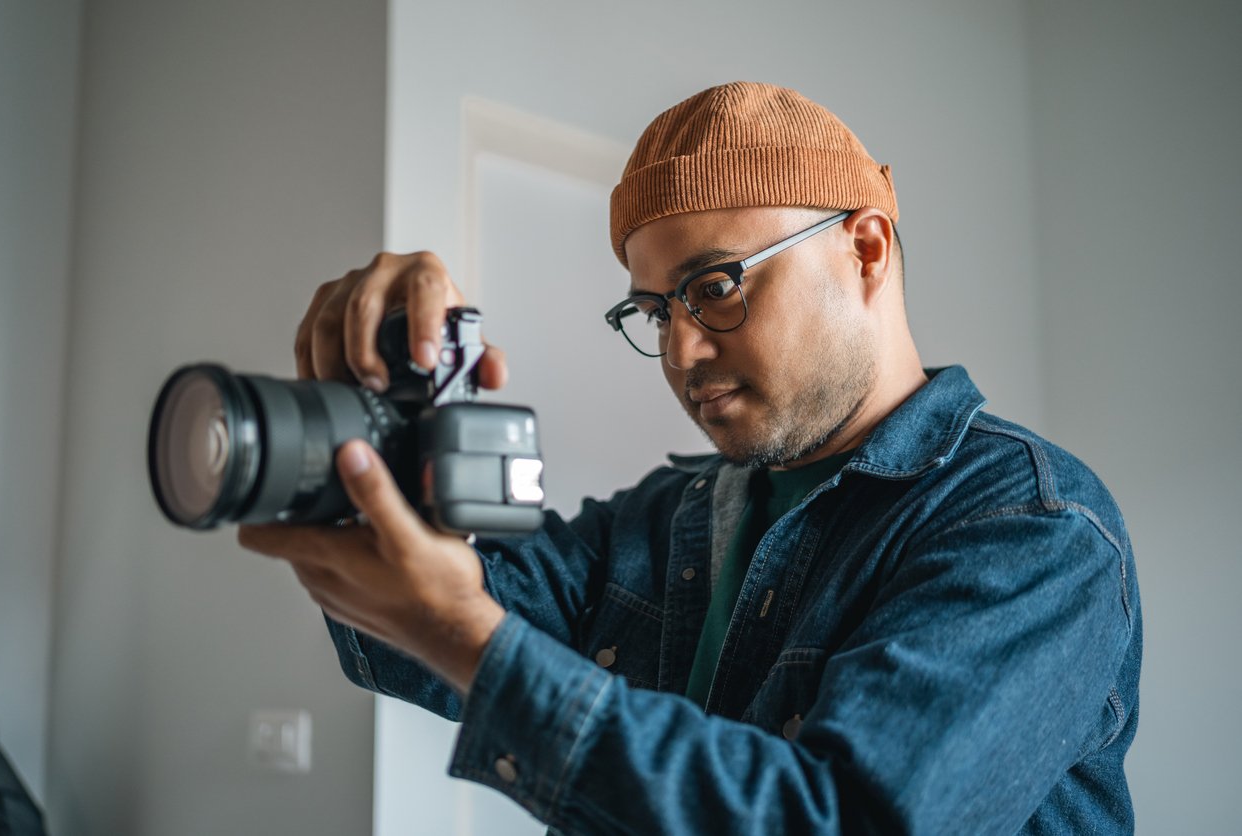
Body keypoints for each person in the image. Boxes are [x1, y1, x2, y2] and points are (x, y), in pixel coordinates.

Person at [239, 82, 1141, 834]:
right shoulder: (667, 516)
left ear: (864, 248)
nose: (679, 353)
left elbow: (841, 818)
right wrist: (365, 429)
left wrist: (466, 638)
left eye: (713, 288)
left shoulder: (1032, 525)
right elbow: (416, 623)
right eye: (655, 312)